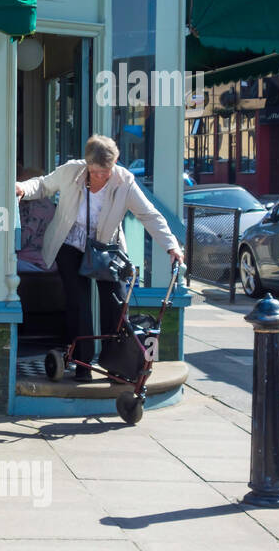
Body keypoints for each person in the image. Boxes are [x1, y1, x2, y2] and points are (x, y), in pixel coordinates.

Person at [15, 134, 184, 381]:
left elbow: (149, 215)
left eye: (106, 172)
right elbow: (42, 185)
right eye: (95, 172)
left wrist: (171, 246)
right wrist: (22, 187)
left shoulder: (124, 182)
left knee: (115, 305)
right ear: (87, 164)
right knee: (79, 304)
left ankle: (115, 364)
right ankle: (82, 364)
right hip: (70, 245)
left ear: (114, 164)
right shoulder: (72, 171)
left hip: (106, 250)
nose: (101, 178)